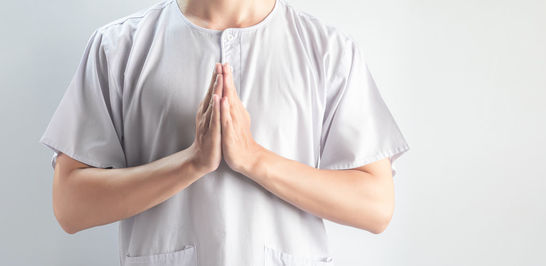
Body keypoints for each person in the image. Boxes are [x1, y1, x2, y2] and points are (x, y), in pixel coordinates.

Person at [38, 0, 410, 264]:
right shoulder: (119, 46)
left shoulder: (328, 52)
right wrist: (191, 164)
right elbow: (70, 205)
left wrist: (254, 159)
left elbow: (375, 206)